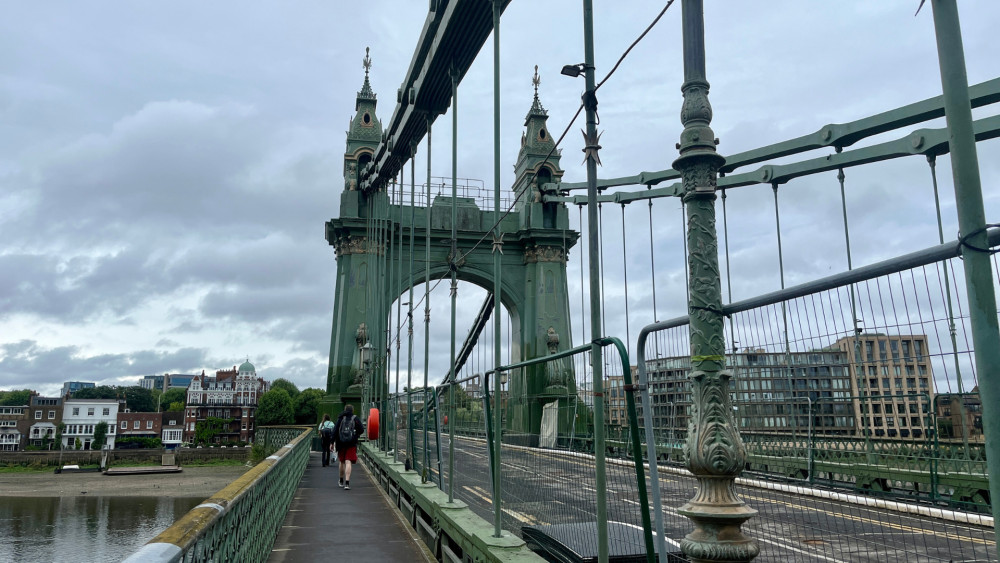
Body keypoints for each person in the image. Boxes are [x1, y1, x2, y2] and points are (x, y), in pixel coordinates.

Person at [333, 404, 364, 490]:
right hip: (351, 443)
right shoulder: (355, 418)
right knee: (348, 461)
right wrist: (355, 436)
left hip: (341, 442)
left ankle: (341, 480)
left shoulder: (341, 418)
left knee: (342, 462)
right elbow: (361, 429)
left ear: (345, 409)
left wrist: (332, 442)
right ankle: (347, 483)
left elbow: (335, 430)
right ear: (352, 410)